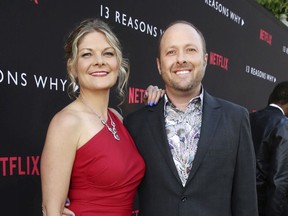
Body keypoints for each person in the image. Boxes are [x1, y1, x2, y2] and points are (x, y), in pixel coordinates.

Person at [123, 20, 258, 216]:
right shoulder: (136, 124)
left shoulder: (236, 119)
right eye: (171, 52)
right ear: (159, 65)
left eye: (190, 50)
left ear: (205, 59)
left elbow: (246, 200)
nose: (181, 59)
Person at [40, 18, 163, 216]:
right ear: (72, 66)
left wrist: (159, 102)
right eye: (87, 54)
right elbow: (51, 210)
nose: (99, 61)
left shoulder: (117, 118)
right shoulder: (66, 122)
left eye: (108, 53)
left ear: (118, 63)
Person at [249, 81, 288, 216]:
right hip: (264, 206)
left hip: (240, 203)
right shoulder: (283, 125)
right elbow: (279, 180)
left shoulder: (248, 117)